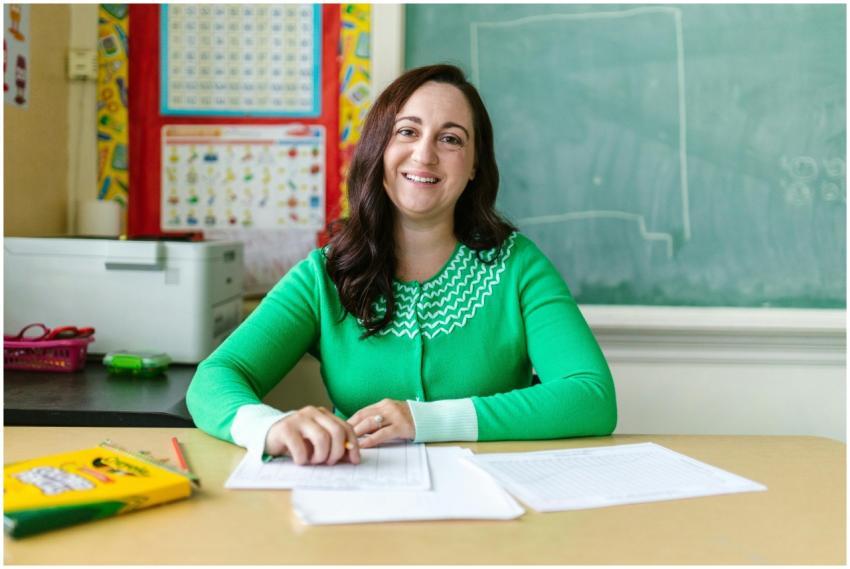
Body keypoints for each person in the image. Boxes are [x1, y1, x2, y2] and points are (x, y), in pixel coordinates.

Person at [186, 64, 617, 466]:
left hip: (497, 510)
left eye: (451, 139)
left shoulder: (519, 265)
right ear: (379, 149)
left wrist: (425, 420)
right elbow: (215, 378)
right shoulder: (324, 274)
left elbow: (592, 396)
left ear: (474, 166)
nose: (424, 155)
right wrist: (270, 427)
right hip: (360, 505)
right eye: (407, 132)